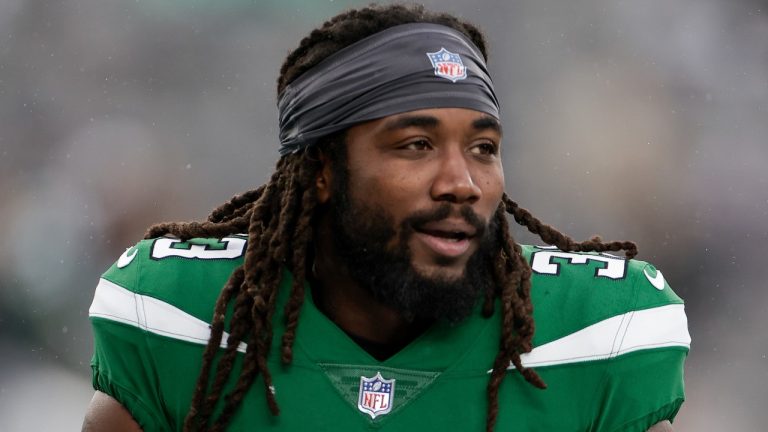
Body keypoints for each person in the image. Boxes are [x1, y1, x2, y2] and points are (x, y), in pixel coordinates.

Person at [82, 4, 690, 432]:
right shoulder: (180, 321)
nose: (462, 183)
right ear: (322, 168)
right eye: (416, 145)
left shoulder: (593, 335)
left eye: (483, 148)